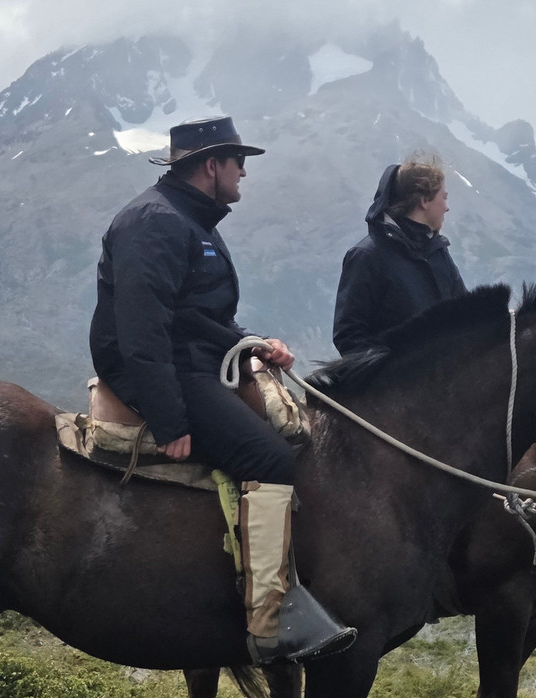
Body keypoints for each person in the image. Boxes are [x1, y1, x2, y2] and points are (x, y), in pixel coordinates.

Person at [89, 116, 353, 664]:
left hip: (192, 359)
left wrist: (253, 342)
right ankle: (268, 620)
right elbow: (143, 331)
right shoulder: (155, 222)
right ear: (212, 166)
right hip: (164, 371)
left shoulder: (192, 220)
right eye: (239, 163)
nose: (244, 174)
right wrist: (169, 419)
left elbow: (197, 314)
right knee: (269, 457)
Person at [333, 155, 467, 355]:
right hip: (395, 384)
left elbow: (466, 316)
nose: (447, 207)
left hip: (447, 381)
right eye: (444, 197)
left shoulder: (438, 253)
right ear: (424, 200)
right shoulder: (367, 256)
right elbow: (349, 336)